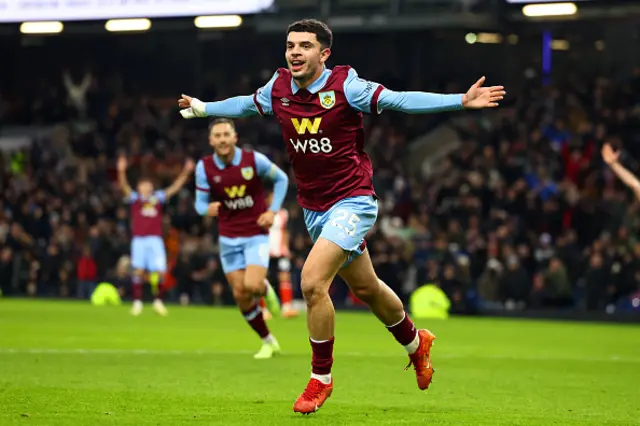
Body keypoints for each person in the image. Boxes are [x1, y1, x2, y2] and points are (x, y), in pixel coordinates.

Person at [178, 18, 506, 414]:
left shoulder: (346, 86)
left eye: (305, 46)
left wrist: (459, 100)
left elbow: (400, 100)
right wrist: (203, 109)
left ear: (324, 53)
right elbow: (247, 104)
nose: (295, 52)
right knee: (367, 288)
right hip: (314, 208)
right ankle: (417, 343)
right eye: (290, 45)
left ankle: (320, 379)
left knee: (313, 283)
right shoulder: (278, 88)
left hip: (353, 201)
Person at [194, 118, 289, 359]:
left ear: (235, 137)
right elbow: (199, 203)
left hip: (255, 233)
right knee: (240, 294)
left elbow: (282, 179)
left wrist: (272, 211)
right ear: (211, 141)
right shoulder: (204, 168)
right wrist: (206, 209)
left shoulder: (253, 160)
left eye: (227, 134)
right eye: (218, 135)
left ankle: (265, 287)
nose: (223, 139)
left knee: (253, 286)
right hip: (228, 237)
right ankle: (268, 342)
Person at [117, 155, 194, 316]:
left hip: (155, 239)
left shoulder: (156, 198)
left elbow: (174, 188)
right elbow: (123, 186)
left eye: (148, 185)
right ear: (138, 187)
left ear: (151, 187)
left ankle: (158, 301)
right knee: (138, 271)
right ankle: (137, 303)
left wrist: (185, 173)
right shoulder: (135, 199)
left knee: (160, 271)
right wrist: (121, 170)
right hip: (139, 239)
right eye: (143, 185)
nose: (145, 188)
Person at [266, 191, 299, 318]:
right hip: (266, 252)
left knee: (285, 277)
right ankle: (264, 310)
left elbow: (286, 232)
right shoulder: (263, 213)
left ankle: (286, 308)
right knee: (264, 279)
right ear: (267, 199)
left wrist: (286, 248)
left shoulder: (284, 214)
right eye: (272, 198)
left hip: (281, 252)